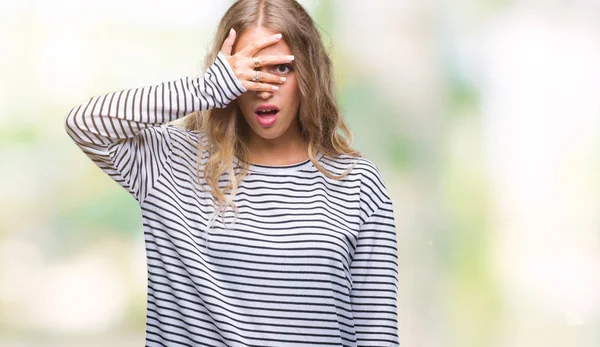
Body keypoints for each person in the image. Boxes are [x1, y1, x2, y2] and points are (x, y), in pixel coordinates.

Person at [64, 0, 399, 346]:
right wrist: (208, 88)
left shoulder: (357, 183)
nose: (264, 87)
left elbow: (378, 334)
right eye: (251, 69)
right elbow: (84, 124)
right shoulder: (169, 162)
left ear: (309, 74)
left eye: (281, 68)